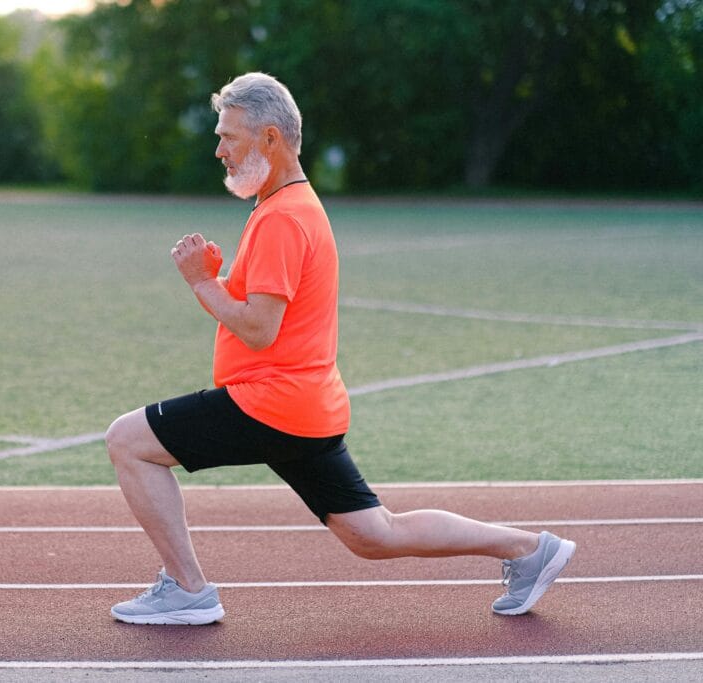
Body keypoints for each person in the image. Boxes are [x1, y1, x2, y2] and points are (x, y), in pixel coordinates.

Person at [104, 72, 575, 625]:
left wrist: (200, 283)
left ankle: (187, 590)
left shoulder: (281, 217)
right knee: (375, 534)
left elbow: (259, 329)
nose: (219, 150)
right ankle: (528, 548)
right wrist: (221, 279)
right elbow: (271, 310)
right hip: (303, 406)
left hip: (270, 403)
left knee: (128, 440)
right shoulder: (290, 205)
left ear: (271, 139)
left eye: (229, 136)